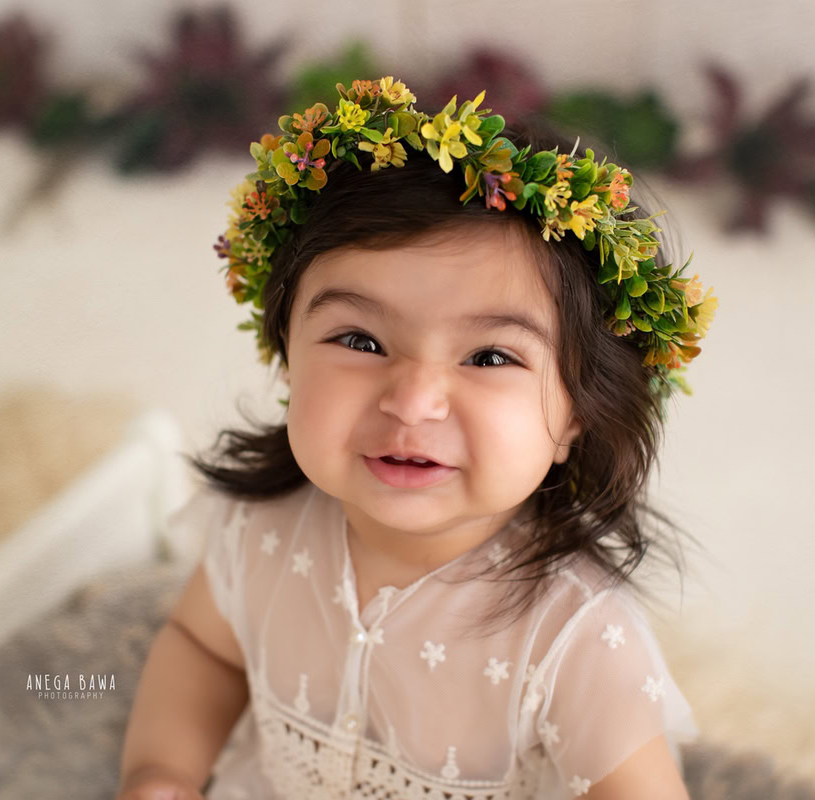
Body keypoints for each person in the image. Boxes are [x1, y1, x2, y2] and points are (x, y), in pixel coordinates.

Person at [116, 76, 717, 800]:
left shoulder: (574, 637)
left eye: (490, 358)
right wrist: (163, 775)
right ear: (285, 353)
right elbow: (203, 653)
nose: (412, 400)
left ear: (577, 416)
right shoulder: (259, 532)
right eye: (360, 339)